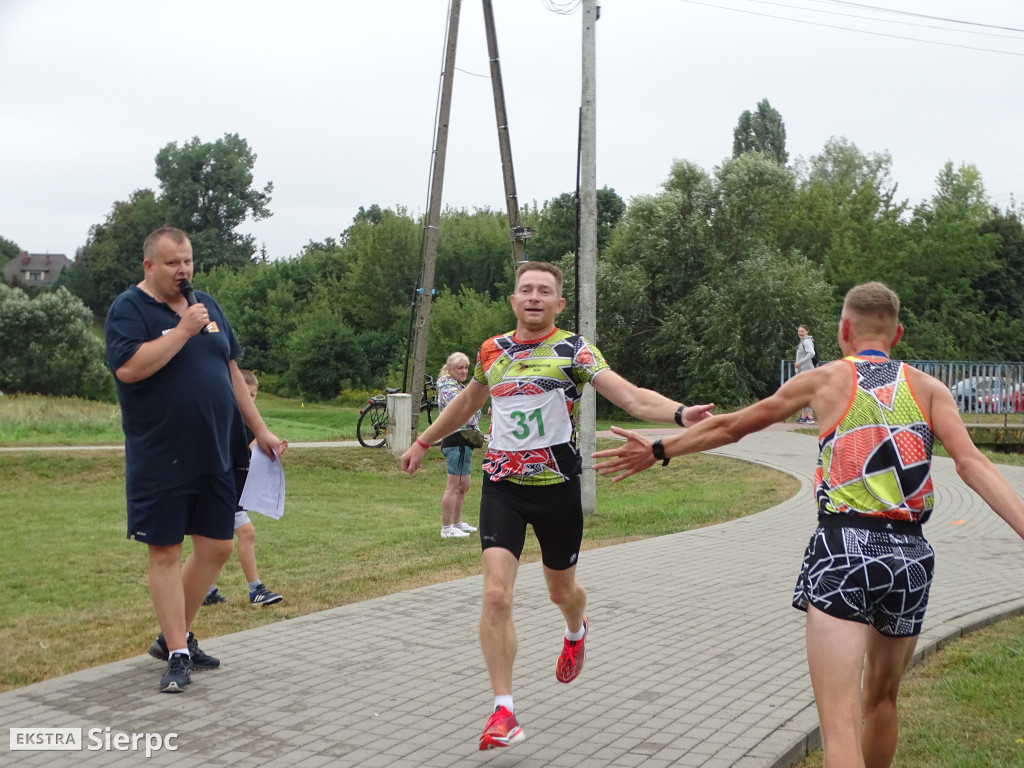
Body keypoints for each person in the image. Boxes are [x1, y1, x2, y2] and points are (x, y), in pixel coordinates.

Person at [593, 282, 1024, 768]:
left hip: (845, 552)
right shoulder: (930, 389)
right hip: (910, 558)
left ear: (843, 330)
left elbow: (733, 426)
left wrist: (658, 449)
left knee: (838, 724)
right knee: (881, 702)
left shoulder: (824, 380)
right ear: (897, 333)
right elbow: (974, 465)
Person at [401, 261, 713, 750]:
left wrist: (679, 413)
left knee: (560, 592)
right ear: (513, 300)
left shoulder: (574, 350)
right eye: (525, 290)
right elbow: (467, 403)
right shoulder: (492, 350)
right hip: (502, 485)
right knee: (496, 595)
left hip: (557, 489)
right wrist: (423, 441)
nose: (533, 297)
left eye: (544, 291)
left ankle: (576, 627)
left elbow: (628, 396)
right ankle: (503, 711)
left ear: (559, 304)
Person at [105, 227, 286, 694]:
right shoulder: (130, 309)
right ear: (149, 266)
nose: (183, 271)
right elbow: (128, 367)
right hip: (161, 455)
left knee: (219, 545)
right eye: (172, 263)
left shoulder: (207, 304)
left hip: (216, 450)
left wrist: (259, 429)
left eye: (187, 262)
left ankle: (174, 639)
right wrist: (182, 331)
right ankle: (179, 650)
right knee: (164, 552)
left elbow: (229, 371)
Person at [203, 369, 286, 606]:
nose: (250, 402)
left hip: (234, 493)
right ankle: (256, 590)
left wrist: (274, 451)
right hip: (223, 491)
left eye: (253, 396)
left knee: (219, 543)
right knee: (242, 535)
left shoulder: (248, 424)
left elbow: (253, 452)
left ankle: (207, 591)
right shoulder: (225, 422)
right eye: (246, 395)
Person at [436, 351, 482, 539]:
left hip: (464, 439)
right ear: (450, 369)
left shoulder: (458, 386)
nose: (464, 371)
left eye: (466, 367)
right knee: (454, 486)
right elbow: (466, 410)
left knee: (464, 485)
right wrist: (475, 412)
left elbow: (472, 409)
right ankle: (447, 528)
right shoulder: (448, 387)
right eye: (459, 368)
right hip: (456, 438)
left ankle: (457, 522)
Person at [794, 324, 817, 424]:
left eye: (802, 331)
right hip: (802, 370)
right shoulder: (803, 342)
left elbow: (811, 353)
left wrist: (800, 362)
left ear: (807, 332)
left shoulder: (807, 341)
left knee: (806, 394)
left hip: (807, 370)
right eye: (799, 331)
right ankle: (804, 416)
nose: (800, 333)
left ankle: (810, 417)